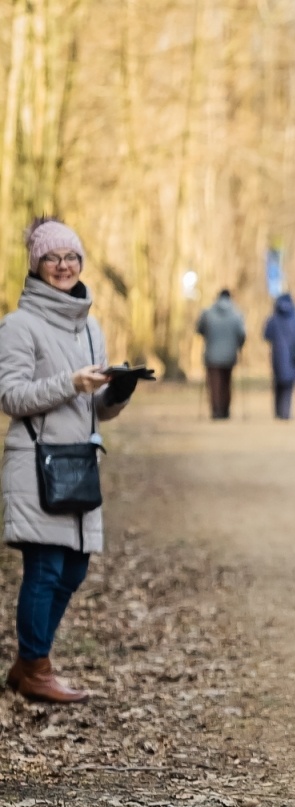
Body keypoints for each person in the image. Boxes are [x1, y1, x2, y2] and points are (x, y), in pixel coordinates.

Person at [0, 218, 147, 702]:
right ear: (37, 266)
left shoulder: (92, 327)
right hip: (36, 464)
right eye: (52, 258)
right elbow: (11, 395)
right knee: (44, 568)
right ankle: (36, 667)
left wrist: (115, 393)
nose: (63, 266)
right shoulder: (19, 326)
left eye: (71, 257)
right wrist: (71, 383)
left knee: (75, 569)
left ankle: (27, 665)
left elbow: (95, 408)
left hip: (79, 463)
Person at [196, 288, 246, 419]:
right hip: (230, 354)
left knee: (214, 384)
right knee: (226, 382)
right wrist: (239, 346)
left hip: (211, 354)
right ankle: (225, 410)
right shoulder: (237, 314)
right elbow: (241, 334)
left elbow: (200, 329)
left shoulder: (207, 313)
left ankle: (216, 410)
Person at [262, 292, 295, 420]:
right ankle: (286, 411)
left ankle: (278, 411)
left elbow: (266, 335)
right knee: (289, 382)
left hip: (277, 353)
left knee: (278, 381)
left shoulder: (273, 318)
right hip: (293, 354)